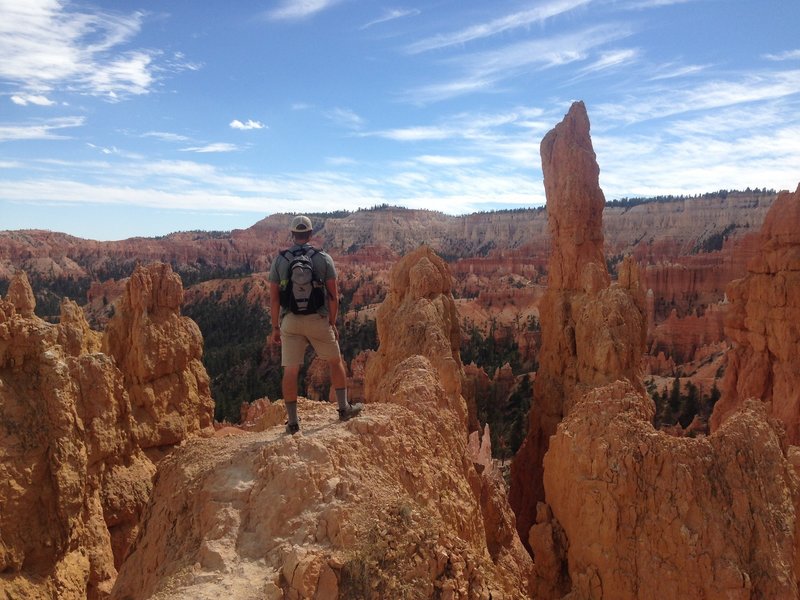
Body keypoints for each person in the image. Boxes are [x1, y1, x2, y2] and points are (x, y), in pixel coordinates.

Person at [268, 215, 363, 434]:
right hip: (317, 320)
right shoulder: (323, 258)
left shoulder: (280, 260)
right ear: (311, 234)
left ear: (293, 235)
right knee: (335, 361)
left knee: (290, 370)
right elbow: (333, 296)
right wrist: (331, 322)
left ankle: (293, 423)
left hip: (290, 321)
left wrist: (275, 326)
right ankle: (343, 408)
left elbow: (273, 298)